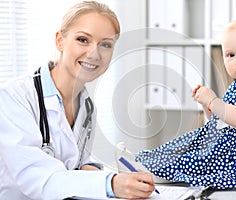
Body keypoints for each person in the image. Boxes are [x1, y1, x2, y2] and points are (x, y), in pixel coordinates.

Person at [0, 1, 155, 199]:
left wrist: (107, 175)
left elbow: (72, 167)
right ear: (60, 41)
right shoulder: (13, 97)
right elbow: (38, 179)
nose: (94, 54)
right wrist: (111, 183)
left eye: (106, 44)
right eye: (83, 40)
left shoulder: (87, 107)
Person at [135, 16, 236, 189]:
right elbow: (220, 122)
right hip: (224, 146)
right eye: (230, 55)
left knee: (194, 157)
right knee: (185, 145)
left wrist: (213, 99)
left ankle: (156, 171)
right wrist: (207, 105)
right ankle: (148, 163)